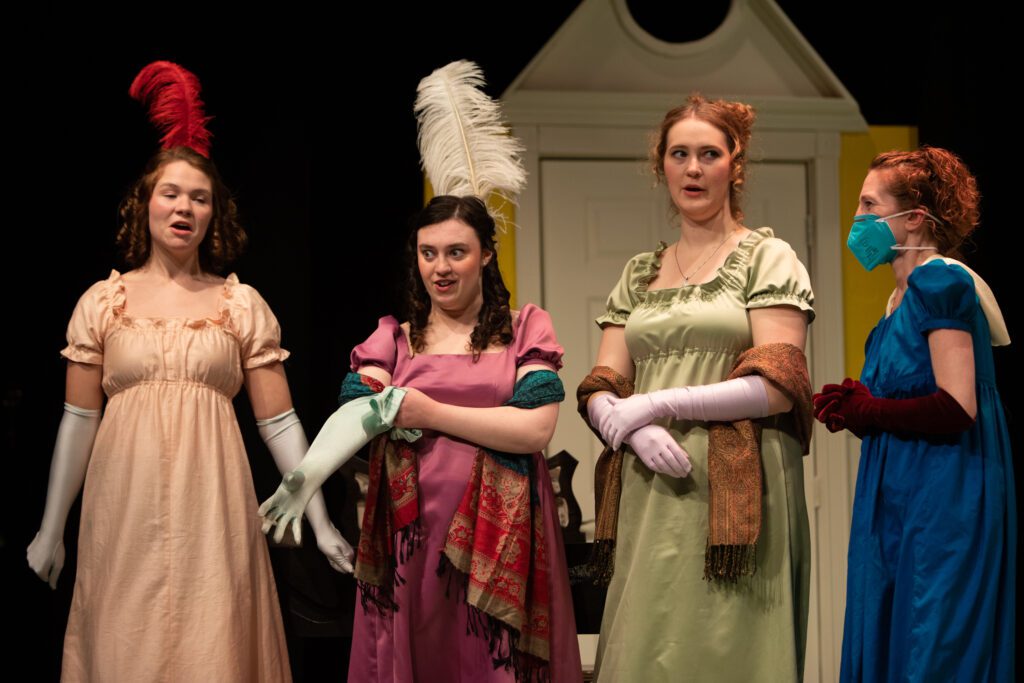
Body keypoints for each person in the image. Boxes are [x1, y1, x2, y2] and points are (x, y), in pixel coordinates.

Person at [25, 61, 350, 681]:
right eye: (170, 193)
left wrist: (318, 516)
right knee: (125, 639)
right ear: (144, 203)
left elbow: (279, 423)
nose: (184, 207)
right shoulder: (103, 302)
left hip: (214, 505)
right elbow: (77, 420)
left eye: (199, 198)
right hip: (122, 504)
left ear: (213, 214)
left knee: (212, 641)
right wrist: (51, 528)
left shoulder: (240, 305)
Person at [578, 94, 815, 681]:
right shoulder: (638, 272)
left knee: (725, 642)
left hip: (736, 486)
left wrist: (658, 403)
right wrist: (622, 421)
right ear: (661, 164)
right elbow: (603, 380)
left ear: (733, 165)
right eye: (679, 153)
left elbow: (779, 383)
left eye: (708, 153)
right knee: (646, 639)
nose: (692, 167)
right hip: (651, 482)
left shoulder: (769, 256)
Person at [814, 146, 1015, 682]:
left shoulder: (940, 282)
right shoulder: (896, 303)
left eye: (868, 205)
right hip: (897, 493)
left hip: (942, 495)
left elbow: (956, 405)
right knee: (891, 634)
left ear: (914, 218)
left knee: (930, 643)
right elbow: (908, 401)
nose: (857, 219)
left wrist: (872, 410)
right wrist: (860, 410)